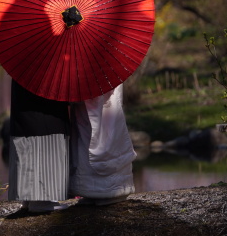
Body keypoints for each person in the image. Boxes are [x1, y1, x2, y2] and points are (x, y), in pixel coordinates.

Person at [8, 79, 72, 213]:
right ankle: (41, 200)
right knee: (45, 129)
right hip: (44, 88)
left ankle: (28, 197)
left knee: (27, 127)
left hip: (25, 83)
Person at [69, 84, 136, 205]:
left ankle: (108, 190)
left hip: (105, 99)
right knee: (87, 141)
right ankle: (90, 190)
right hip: (88, 103)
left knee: (108, 137)